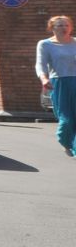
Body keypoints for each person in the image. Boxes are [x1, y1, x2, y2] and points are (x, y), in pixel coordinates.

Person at [35, 16, 76, 156]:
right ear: (52, 28)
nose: (64, 28)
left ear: (70, 27)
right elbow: (40, 64)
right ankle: (66, 142)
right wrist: (44, 78)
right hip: (59, 83)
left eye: (66, 25)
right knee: (66, 119)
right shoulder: (45, 44)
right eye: (59, 25)